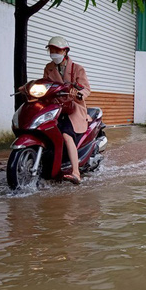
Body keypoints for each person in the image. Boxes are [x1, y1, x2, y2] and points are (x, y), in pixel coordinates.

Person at [43, 36, 91, 185]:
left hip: (73, 107)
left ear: (65, 52)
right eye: (51, 50)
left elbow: (85, 88)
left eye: (57, 50)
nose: (54, 53)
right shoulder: (48, 68)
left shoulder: (77, 68)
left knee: (66, 134)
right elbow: (45, 85)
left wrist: (78, 94)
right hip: (55, 107)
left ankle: (76, 172)